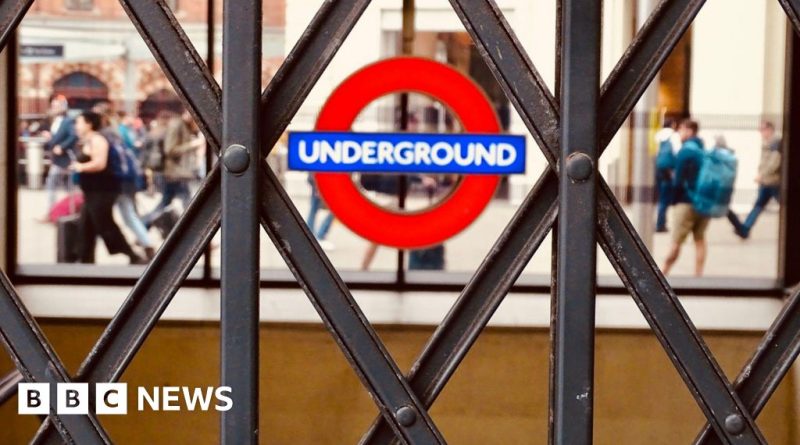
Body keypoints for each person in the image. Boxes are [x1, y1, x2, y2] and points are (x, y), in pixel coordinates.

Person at [70, 111, 146, 264]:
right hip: (92, 191)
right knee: (87, 223)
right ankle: (85, 258)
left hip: (103, 190)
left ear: (89, 124)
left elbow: (100, 163)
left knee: (105, 223)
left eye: (79, 122)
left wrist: (80, 166)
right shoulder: (88, 140)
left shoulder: (98, 140)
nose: (76, 126)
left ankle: (133, 255)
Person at [662, 119, 708, 277]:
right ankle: (698, 275)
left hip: (685, 203)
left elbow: (678, 180)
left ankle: (662, 273)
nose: (679, 132)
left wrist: (673, 201)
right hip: (703, 202)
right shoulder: (703, 149)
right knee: (700, 240)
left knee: (675, 243)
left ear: (690, 131)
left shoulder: (685, 151)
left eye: (681, 129)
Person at [143, 110, 203, 225]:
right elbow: (170, 150)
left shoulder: (184, 125)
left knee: (168, 202)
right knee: (187, 203)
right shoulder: (177, 124)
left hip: (179, 173)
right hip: (176, 173)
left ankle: (145, 224)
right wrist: (192, 145)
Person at [727, 121, 782, 239]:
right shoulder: (767, 142)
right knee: (758, 206)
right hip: (766, 182)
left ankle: (745, 229)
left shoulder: (776, 142)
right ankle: (745, 229)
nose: (761, 133)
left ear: (770, 129)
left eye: (763, 130)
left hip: (774, 182)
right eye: (760, 130)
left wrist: (762, 175)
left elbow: (775, 161)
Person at [41, 95, 78, 220]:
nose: (54, 108)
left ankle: (61, 213)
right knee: (60, 186)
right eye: (53, 105)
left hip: (65, 158)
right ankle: (56, 213)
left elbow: (73, 136)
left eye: (56, 106)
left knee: (58, 185)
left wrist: (62, 147)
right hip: (57, 160)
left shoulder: (67, 121)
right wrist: (50, 137)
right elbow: (56, 139)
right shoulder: (55, 121)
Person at [654, 118, 680, 232]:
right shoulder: (674, 136)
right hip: (669, 170)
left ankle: (660, 222)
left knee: (661, 197)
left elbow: (654, 152)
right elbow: (677, 151)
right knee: (665, 199)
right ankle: (660, 224)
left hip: (658, 168)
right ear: (672, 124)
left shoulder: (657, 135)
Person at [306, 174, 335, 250]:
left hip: (321, 180)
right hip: (322, 181)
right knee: (333, 210)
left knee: (314, 209)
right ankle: (319, 236)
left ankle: (310, 235)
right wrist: (317, 187)